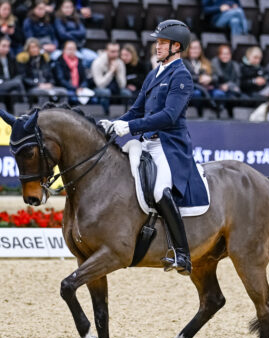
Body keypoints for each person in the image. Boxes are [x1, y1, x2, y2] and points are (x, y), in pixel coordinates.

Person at [98, 20, 209, 276]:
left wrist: (132, 127)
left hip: (168, 146)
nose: (157, 46)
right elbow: (136, 110)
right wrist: (116, 124)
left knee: (160, 191)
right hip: (146, 142)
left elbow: (170, 116)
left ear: (176, 46)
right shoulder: (154, 73)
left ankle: (182, 254)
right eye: (157, 42)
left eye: (162, 43)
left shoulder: (181, 75)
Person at [16, 37, 68, 103]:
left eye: (36, 47)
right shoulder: (24, 60)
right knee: (43, 93)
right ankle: (43, 112)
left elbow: (51, 76)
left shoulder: (44, 59)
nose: (35, 49)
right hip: (32, 87)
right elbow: (24, 78)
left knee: (63, 92)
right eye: (32, 47)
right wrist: (38, 84)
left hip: (46, 86)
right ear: (27, 49)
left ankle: (61, 112)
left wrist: (50, 84)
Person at [183, 38, 222, 116]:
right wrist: (200, 78)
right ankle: (199, 113)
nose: (196, 50)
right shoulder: (183, 62)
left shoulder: (206, 62)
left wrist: (210, 79)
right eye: (193, 48)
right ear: (188, 49)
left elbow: (217, 77)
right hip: (192, 89)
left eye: (198, 48)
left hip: (208, 87)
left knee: (219, 94)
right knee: (197, 93)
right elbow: (184, 77)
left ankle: (217, 114)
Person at [0, 35, 26, 111]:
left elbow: (17, 73)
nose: (6, 49)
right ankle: (26, 102)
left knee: (14, 92)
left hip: (10, 84)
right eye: (4, 46)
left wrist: (12, 80)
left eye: (8, 46)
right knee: (18, 83)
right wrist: (9, 80)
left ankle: (16, 115)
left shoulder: (11, 58)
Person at [90, 42, 132, 114]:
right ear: (106, 51)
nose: (115, 54)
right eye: (112, 52)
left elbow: (122, 85)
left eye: (117, 51)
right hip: (98, 89)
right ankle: (106, 114)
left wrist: (117, 73)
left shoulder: (120, 63)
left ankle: (125, 115)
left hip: (115, 88)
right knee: (106, 92)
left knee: (127, 93)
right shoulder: (97, 63)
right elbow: (100, 85)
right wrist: (111, 72)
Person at [54, 0, 97, 67]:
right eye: (66, 7)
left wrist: (69, 33)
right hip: (63, 49)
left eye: (70, 7)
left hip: (78, 48)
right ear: (61, 8)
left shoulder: (77, 18)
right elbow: (63, 35)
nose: (68, 9)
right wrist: (76, 39)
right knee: (79, 59)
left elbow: (83, 32)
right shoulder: (58, 19)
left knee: (94, 57)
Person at [54, 40, 95, 105]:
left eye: (73, 49)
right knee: (73, 98)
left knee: (93, 99)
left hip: (80, 89)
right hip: (67, 89)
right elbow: (61, 80)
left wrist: (82, 87)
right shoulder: (59, 62)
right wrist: (75, 89)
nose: (71, 51)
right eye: (69, 49)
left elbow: (84, 78)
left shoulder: (80, 61)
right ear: (64, 50)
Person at [211, 44, 241, 117]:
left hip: (231, 90)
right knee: (218, 94)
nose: (225, 56)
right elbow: (215, 79)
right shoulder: (214, 63)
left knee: (236, 97)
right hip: (217, 89)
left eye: (227, 54)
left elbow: (237, 82)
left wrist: (229, 86)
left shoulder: (235, 65)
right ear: (219, 55)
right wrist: (221, 86)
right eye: (223, 54)